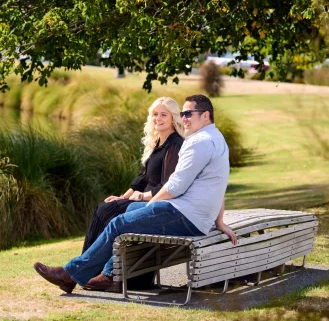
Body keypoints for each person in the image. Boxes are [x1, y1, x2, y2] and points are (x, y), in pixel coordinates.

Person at [33, 94, 238, 293]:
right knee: (127, 209)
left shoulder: (198, 142)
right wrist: (218, 222)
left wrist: (151, 205)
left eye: (188, 113)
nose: (184, 118)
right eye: (182, 113)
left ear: (205, 115)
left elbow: (175, 187)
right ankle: (107, 273)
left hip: (185, 215)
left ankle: (70, 275)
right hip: (195, 215)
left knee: (118, 223)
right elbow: (219, 186)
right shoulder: (216, 138)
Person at [80, 97, 184, 290]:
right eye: (155, 114)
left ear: (173, 118)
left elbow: (167, 185)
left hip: (154, 202)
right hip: (141, 198)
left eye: (163, 114)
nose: (158, 118)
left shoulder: (175, 144)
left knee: (106, 211)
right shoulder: (158, 142)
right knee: (105, 207)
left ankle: (98, 272)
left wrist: (139, 197)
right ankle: (90, 270)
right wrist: (123, 196)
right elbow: (142, 178)